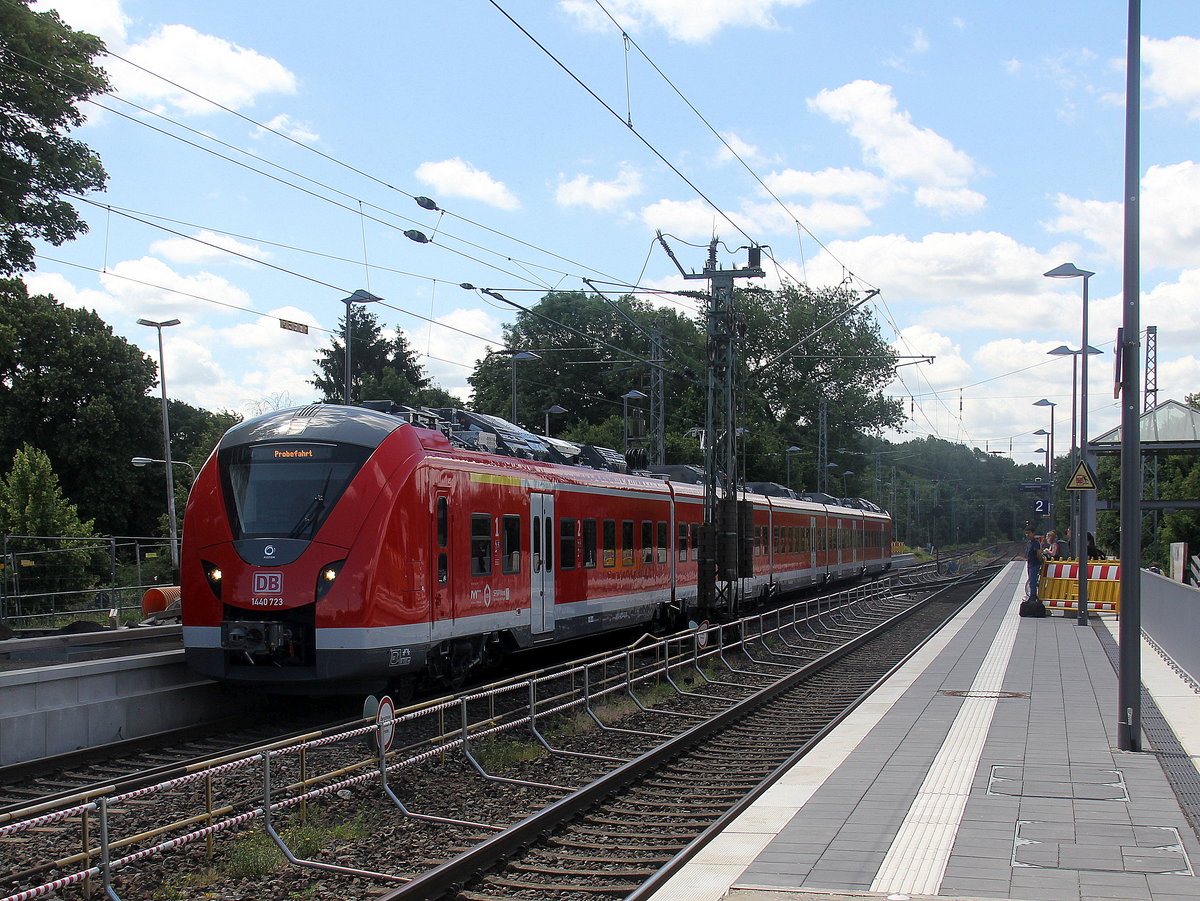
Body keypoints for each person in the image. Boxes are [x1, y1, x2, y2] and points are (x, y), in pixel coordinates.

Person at [1024, 526, 1042, 600]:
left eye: (1029, 533)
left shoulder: (1035, 543)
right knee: (1031, 580)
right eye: (1026, 533)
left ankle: (1033, 597)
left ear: (1033, 533)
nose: (1027, 535)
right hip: (1030, 564)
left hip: (1035, 564)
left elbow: (1038, 553)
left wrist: (1040, 561)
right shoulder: (1029, 543)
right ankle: (1032, 596)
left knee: (1033, 581)